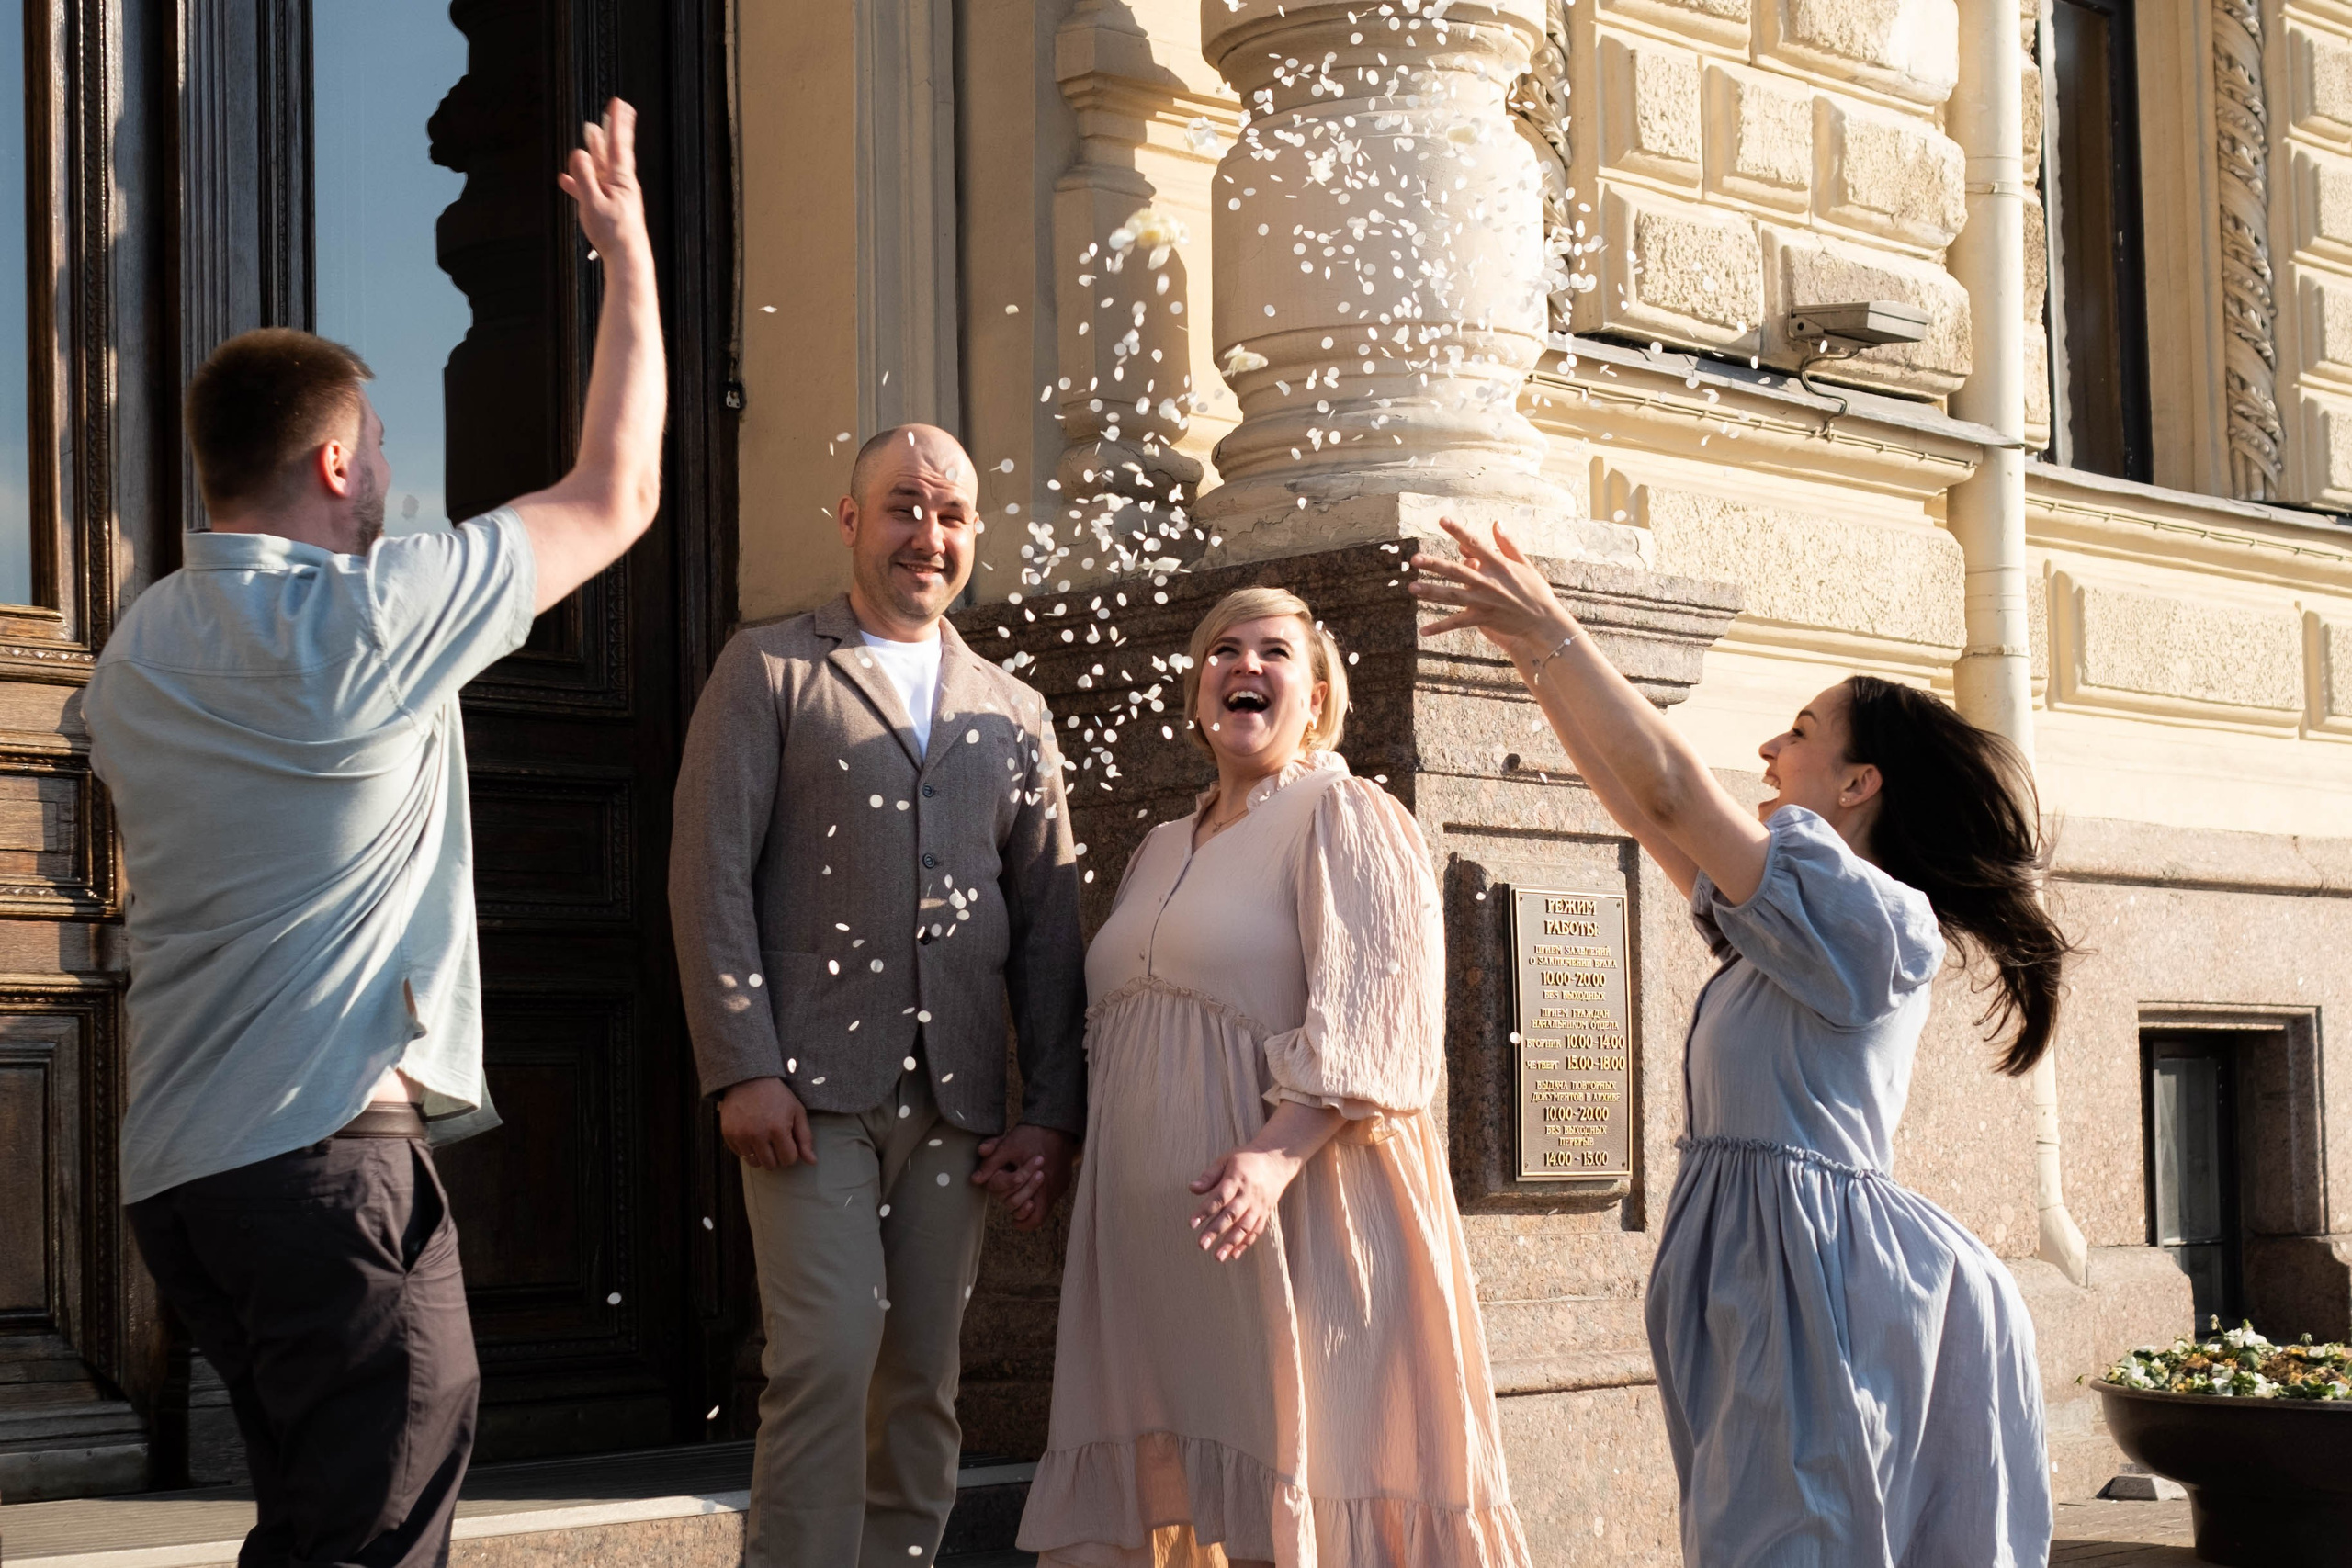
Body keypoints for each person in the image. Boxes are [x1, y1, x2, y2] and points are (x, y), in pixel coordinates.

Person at [82, 103, 664, 1568]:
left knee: (317, 1522)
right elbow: (619, 492)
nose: (396, 475)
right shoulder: (369, 618)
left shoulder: (137, 649)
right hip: (326, 1154)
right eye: (386, 447)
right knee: (376, 1529)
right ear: (338, 463)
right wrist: (627, 255)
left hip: (186, 1179)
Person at [1410, 519, 2063, 1567]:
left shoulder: (1872, 920)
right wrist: (1532, 655)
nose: (1769, 749)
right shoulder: (1793, 931)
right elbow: (1646, 811)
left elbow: (1674, 791)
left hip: (1815, 1277)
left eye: (1798, 732)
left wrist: (1556, 627)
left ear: (1858, 784)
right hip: (1760, 1264)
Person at [1016, 586, 1531, 1568]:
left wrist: (1272, 1158)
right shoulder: (1158, 846)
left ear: (1318, 697)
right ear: (1195, 690)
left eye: (1275, 652)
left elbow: (1382, 1021)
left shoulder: (1343, 811)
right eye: (1223, 649)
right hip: (1156, 1260)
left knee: (1293, 1498)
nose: (1244, 665)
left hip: (1295, 1220)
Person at [668, 423, 1088, 1568]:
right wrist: (742, 1065)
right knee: (827, 1357)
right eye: (904, 506)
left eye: (952, 515)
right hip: (806, 1094)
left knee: (921, 1379)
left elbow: (1049, 928)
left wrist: (1051, 1112)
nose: (928, 534)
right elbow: (708, 875)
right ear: (850, 519)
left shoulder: (1012, 709)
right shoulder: (768, 668)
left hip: (960, 1106)